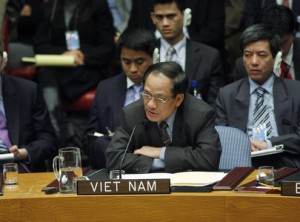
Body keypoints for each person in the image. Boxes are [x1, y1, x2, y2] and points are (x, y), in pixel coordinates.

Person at [106, 61, 221, 173]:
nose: (150, 104)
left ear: (178, 99)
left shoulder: (200, 114)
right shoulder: (131, 114)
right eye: (146, 94)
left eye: (160, 98)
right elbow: (114, 158)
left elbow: (209, 158)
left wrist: (161, 153)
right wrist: (157, 163)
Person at [216, 23, 300, 168]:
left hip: (286, 165)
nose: (253, 62)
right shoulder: (227, 95)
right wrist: (243, 144)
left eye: (262, 55)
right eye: (247, 55)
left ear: (276, 57)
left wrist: (270, 144)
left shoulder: (296, 91)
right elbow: (218, 139)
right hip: (242, 165)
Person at [34, 0, 115, 145]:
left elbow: (107, 46)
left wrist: (83, 56)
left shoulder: (98, 5)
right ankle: (61, 132)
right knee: (45, 75)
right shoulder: (49, 6)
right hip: (59, 66)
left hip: (88, 66)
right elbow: (39, 45)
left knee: (47, 81)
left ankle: (60, 136)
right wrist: (63, 54)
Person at [82, 28, 156, 169]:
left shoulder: (165, 88)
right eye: (126, 62)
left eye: (139, 62)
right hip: (113, 168)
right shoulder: (106, 88)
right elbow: (89, 138)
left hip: (154, 166)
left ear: (154, 57)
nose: (133, 69)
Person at [150, 0, 224, 108]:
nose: (165, 23)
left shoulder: (209, 56)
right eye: (159, 17)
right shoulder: (145, 54)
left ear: (185, 15)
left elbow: (215, 106)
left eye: (171, 16)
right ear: (153, 18)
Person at [0, 40, 57, 172]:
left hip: (17, 168)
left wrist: (24, 153)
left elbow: (48, 141)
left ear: (3, 60)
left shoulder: (27, 91)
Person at [233, 4, 300, 81]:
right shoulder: (245, 66)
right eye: (273, 43)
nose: (280, 50)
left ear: (293, 34)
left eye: (283, 43)